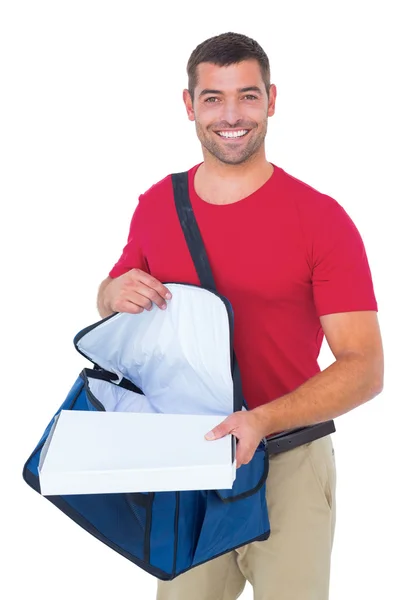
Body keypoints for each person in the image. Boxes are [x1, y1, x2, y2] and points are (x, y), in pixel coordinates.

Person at [96, 32, 384, 600]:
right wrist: (108, 292)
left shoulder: (320, 219)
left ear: (272, 101)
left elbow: (365, 367)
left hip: (289, 463)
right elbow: (116, 297)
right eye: (214, 98)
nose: (232, 115)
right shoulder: (158, 204)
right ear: (189, 105)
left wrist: (261, 420)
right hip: (188, 461)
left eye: (248, 97)